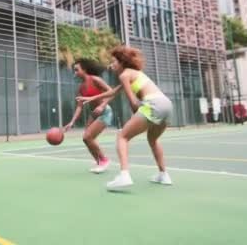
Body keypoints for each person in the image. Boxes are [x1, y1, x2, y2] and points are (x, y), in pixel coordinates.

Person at [78, 46, 172, 191]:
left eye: (114, 61)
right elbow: (113, 92)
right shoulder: (134, 73)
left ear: (122, 62)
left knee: (122, 136)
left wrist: (136, 113)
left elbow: (133, 101)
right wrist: (91, 98)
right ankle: (163, 175)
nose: (112, 64)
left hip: (153, 105)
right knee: (153, 140)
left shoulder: (124, 75)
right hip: (166, 105)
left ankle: (124, 175)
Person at [63, 58, 114, 174]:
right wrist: (72, 122)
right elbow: (79, 106)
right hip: (94, 115)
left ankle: (104, 160)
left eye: (77, 70)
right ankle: (99, 161)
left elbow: (111, 92)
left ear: (84, 70)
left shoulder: (96, 79)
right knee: (86, 139)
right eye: (74, 70)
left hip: (104, 111)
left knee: (88, 137)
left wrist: (102, 105)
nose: (75, 73)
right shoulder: (81, 87)